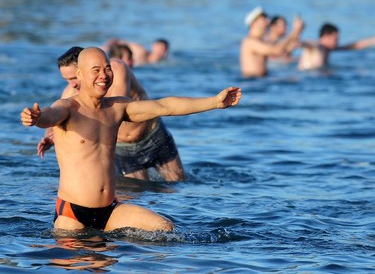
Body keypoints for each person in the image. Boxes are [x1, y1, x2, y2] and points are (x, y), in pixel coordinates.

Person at [21, 47, 242, 232]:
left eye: (107, 68)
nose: (104, 75)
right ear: (79, 74)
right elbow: (49, 115)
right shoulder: (68, 107)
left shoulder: (117, 107)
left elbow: (165, 106)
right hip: (73, 214)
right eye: (95, 70)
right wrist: (37, 118)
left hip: (110, 210)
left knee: (164, 228)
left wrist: (214, 102)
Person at [38, 46, 186, 182]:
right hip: (123, 149)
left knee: (177, 185)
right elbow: (55, 113)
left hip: (153, 137)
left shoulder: (116, 70)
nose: (73, 84)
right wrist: (49, 137)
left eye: (73, 78)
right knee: (135, 193)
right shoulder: (70, 93)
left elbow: (115, 111)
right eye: (67, 80)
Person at [240, 6, 304, 78]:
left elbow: (281, 51)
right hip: (253, 83)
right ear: (254, 23)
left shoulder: (260, 41)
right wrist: (294, 32)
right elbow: (276, 50)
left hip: (262, 80)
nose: (267, 22)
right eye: (264, 19)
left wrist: (297, 32)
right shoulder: (250, 41)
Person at [298, 23, 375, 71]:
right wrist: (297, 31)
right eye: (335, 39)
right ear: (326, 37)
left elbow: (354, 46)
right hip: (308, 76)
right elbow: (304, 43)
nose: (337, 42)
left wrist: (372, 40)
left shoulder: (328, 49)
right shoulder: (316, 46)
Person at [103, 38, 169, 66]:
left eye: (164, 49)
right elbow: (117, 40)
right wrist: (105, 47)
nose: (162, 51)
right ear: (153, 46)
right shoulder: (140, 50)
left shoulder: (164, 62)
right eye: (160, 48)